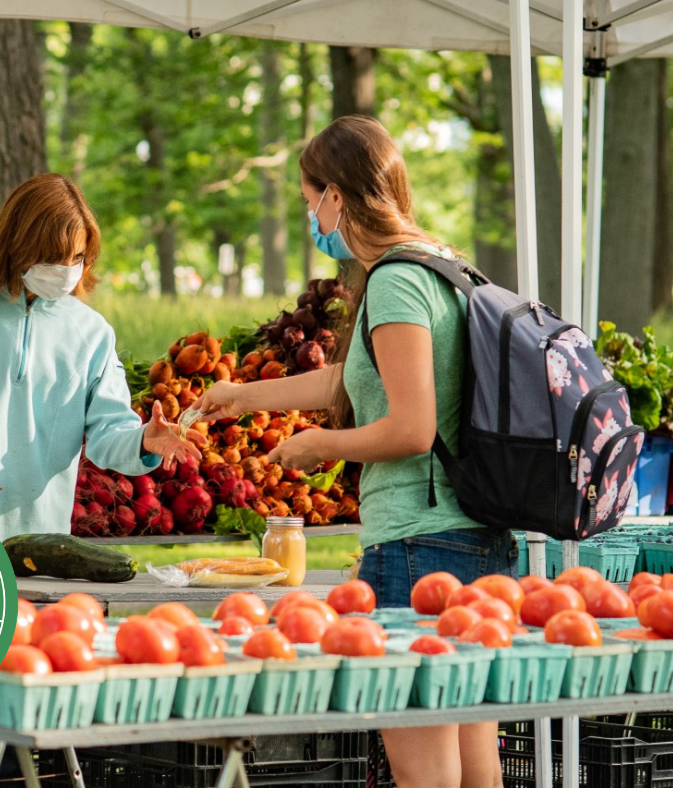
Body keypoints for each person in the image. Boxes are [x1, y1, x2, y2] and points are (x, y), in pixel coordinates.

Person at [194, 115, 512, 788]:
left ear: (336, 195)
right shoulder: (443, 265)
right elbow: (358, 378)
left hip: (419, 546)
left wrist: (321, 445)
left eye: (310, 201)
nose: (311, 217)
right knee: (476, 765)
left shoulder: (395, 281)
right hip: (478, 538)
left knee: (426, 773)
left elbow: (411, 428)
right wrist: (243, 396)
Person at [0, 172, 201, 787]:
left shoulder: (92, 333)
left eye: (77, 256)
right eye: (54, 256)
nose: (66, 269)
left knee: (28, 743)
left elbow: (108, 433)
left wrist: (145, 441)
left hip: (38, 565)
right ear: (17, 243)